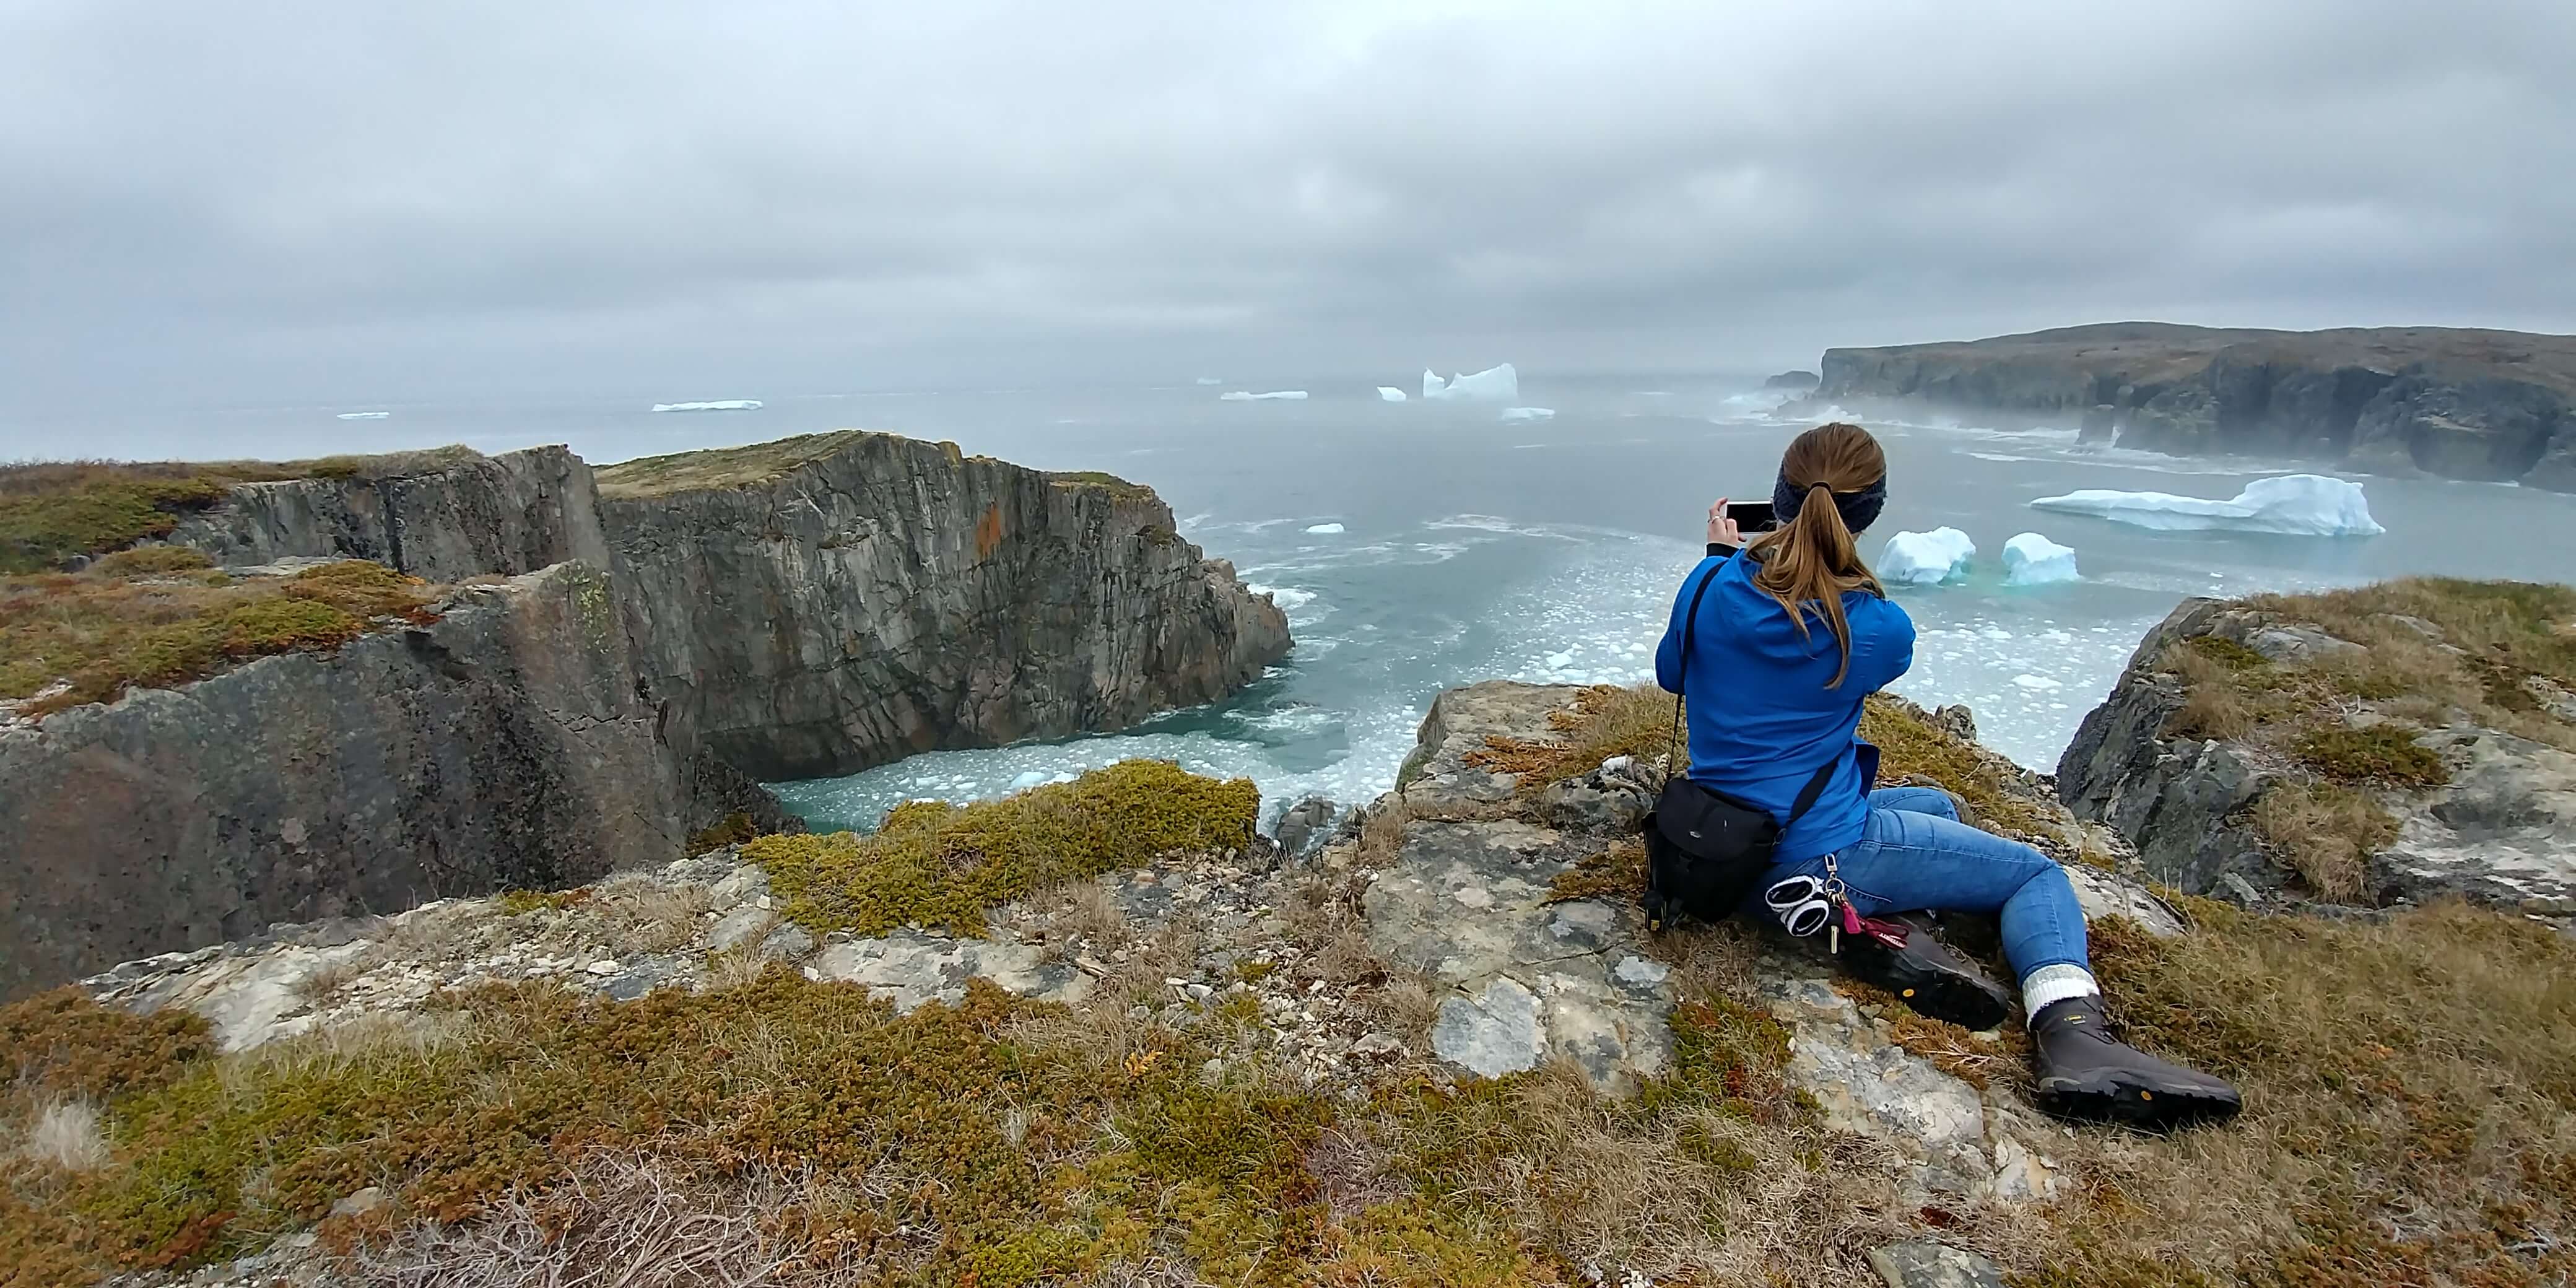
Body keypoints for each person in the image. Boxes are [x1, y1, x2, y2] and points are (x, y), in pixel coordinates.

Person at [1654, 422, 2239, 1131]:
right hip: (1815, 845)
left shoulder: (1709, 585)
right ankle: (2072, 1033)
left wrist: (1720, 553)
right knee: (2035, 876)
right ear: (1868, 513)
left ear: (1778, 498)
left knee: (1938, 804)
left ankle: (1870, 926)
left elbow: (1672, 674)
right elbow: (1835, 652)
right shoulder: (1872, 626)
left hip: (1718, 846)